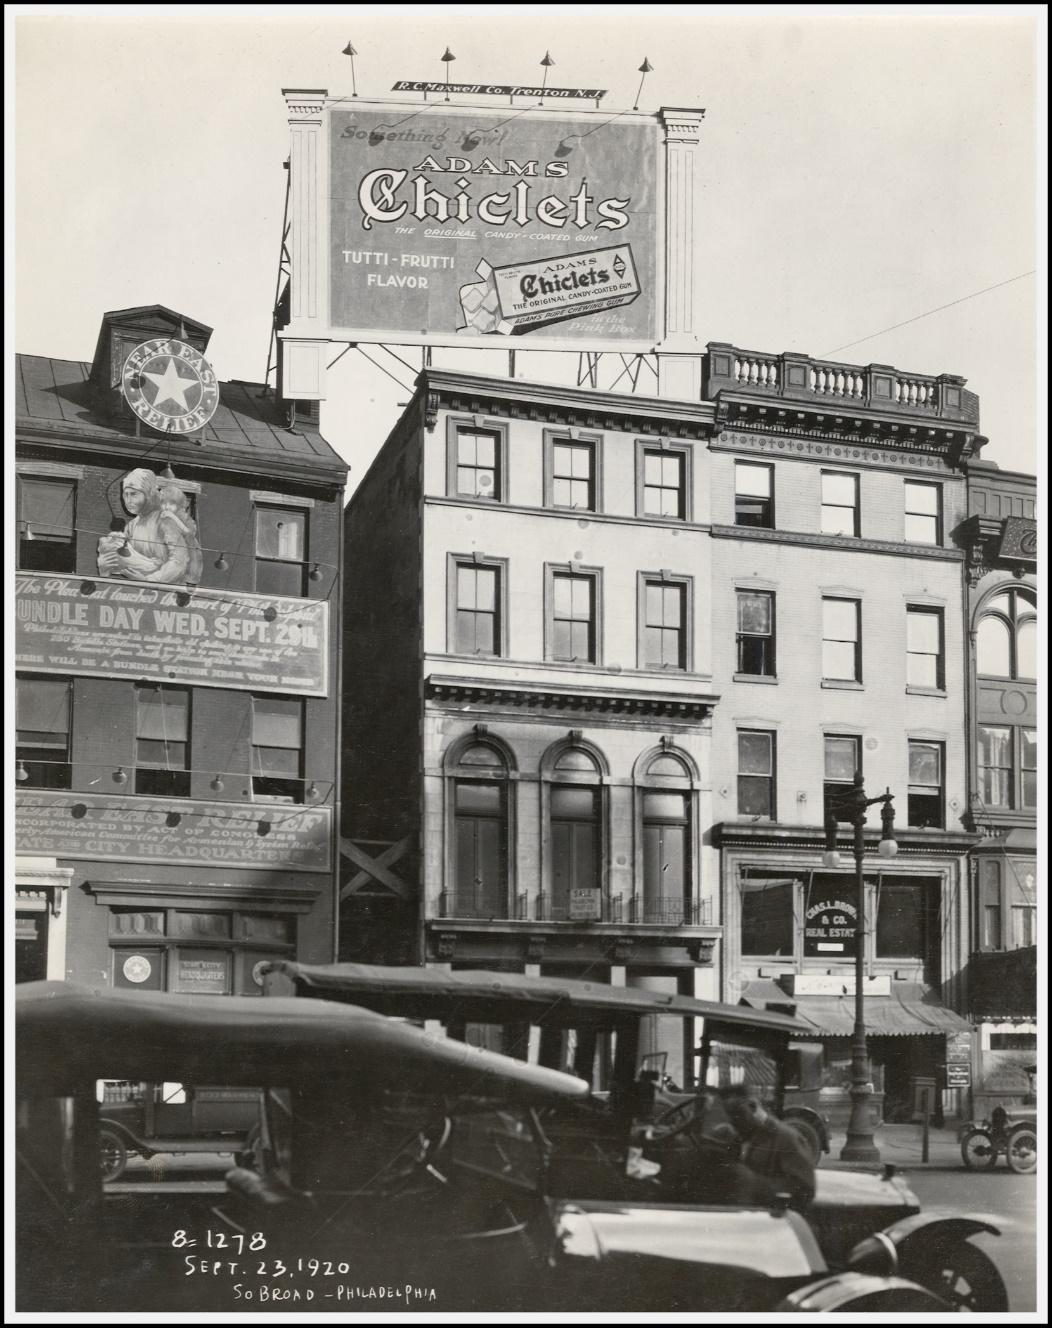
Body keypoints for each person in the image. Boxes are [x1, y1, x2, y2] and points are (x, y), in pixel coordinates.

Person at [716, 1083, 816, 1211]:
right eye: (729, 1115)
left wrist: (753, 1182)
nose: (733, 1121)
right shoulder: (739, 1138)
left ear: (753, 1107)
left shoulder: (785, 1138)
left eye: (738, 1114)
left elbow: (805, 1189)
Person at [97, 468, 191, 584]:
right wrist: (105, 568)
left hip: (166, 593)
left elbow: (179, 562)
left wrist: (148, 580)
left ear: (148, 494)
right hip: (139, 592)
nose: (129, 500)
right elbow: (126, 563)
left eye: (134, 494)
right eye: (126, 495)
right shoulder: (132, 526)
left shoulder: (165, 519)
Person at [158, 483, 203, 585]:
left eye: (171, 504)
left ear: (178, 505)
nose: (167, 507)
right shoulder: (160, 518)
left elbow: (189, 532)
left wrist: (173, 517)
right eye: (164, 503)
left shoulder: (184, 518)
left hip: (183, 555)